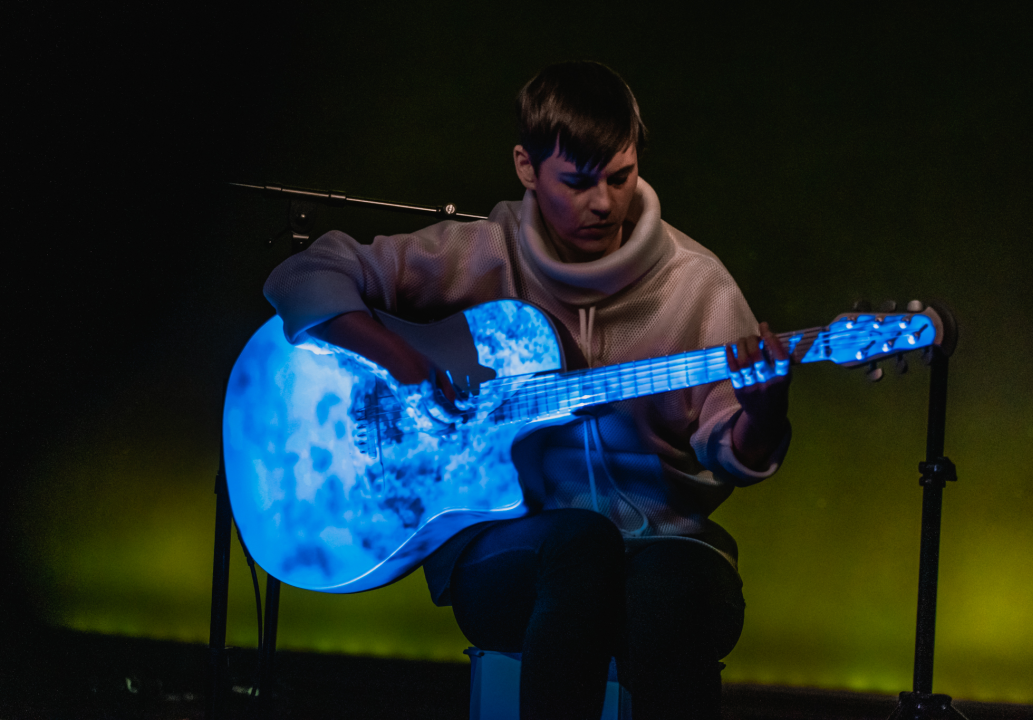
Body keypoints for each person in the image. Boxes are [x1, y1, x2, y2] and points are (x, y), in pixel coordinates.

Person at [264, 61, 792, 720]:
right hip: (510, 550)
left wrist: (764, 414)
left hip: (663, 544)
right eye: (577, 182)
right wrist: (402, 361)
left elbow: (734, 448)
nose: (604, 203)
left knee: (671, 589)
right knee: (581, 547)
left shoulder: (697, 284)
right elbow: (304, 274)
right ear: (526, 167)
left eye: (620, 177)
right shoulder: (479, 254)